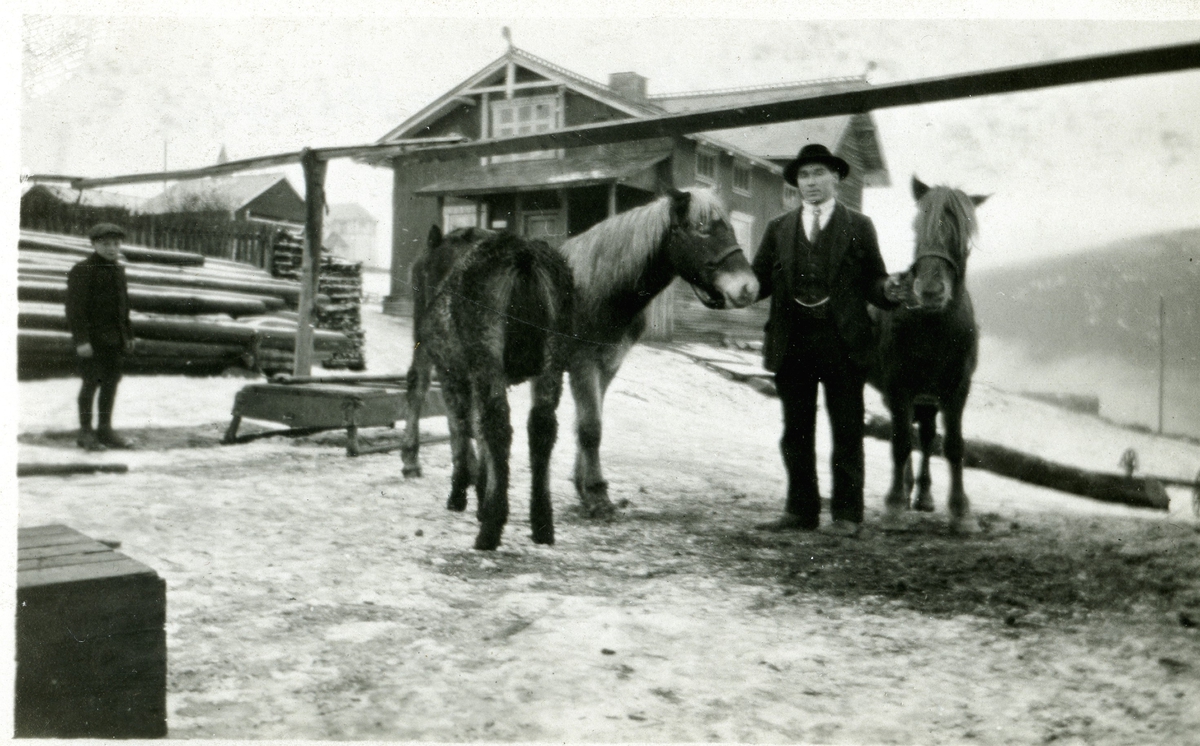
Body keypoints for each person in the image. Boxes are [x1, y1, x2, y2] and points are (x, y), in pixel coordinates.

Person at [752, 144, 904, 537]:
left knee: (847, 430)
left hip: (844, 343)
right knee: (796, 431)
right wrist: (726, 289)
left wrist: (889, 289)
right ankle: (800, 512)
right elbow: (758, 283)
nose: (811, 182)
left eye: (819, 173)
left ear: (835, 177)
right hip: (792, 342)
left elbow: (874, 281)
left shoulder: (859, 226)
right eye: (804, 175)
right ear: (797, 183)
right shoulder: (778, 229)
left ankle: (847, 516)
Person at [66, 222, 136, 451]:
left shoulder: (118, 270)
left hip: (114, 340)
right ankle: (86, 432)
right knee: (91, 383)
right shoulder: (82, 270)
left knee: (111, 384)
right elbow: (75, 309)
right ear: (94, 244)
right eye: (105, 244)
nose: (112, 248)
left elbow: (123, 306)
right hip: (93, 342)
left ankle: (105, 429)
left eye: (116, 244)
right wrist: (82, 340)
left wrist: (128, 334)